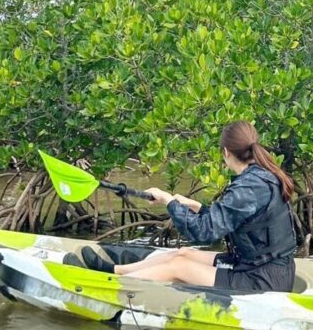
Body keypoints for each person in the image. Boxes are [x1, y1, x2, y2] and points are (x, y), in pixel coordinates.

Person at [79, 121, 299, 292]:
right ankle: (113, 271)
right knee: (182, 254)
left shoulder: (248, 187)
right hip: (260, 267)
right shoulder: (262, 177)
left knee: (178, 268)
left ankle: (105, 286)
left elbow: (203, 233)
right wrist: (193, 205)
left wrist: (169, 202)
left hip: (261, 280)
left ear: (226, 153)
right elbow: (236, 220)